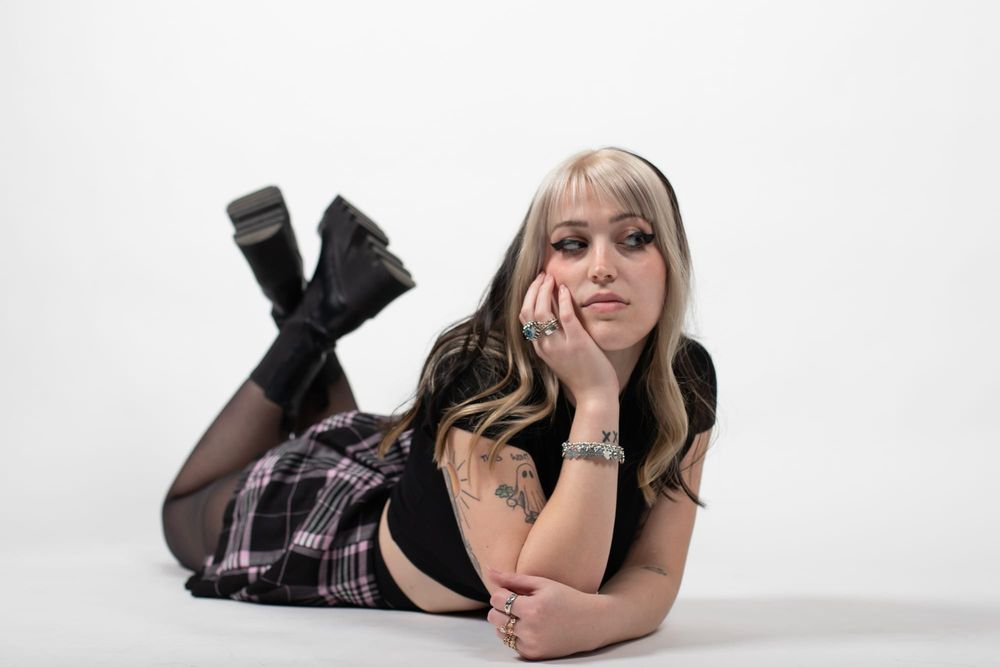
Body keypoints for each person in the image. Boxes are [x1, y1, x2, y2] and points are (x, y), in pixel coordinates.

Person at [161, 146, 718, 660]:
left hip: (414, 470)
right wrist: (596, 398)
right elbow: (536, 599)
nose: (602, 266)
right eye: (572, 243)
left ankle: (310, 305)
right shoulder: (481, 375)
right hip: (337, 534)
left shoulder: (685, 377)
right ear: (537, 269)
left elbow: (655, 570)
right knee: (180, 515)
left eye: (634, 238)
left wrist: (598, 622)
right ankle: (308, 321)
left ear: (672, 258)